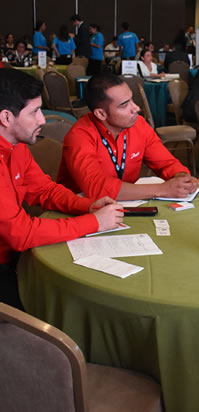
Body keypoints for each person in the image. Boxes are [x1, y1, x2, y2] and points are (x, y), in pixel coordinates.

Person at [0, 68, 123, 308]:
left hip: (15, 257)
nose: (43, 120)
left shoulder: (16, 146)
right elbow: (21, 234)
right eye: (34, 112)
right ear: (6, 118)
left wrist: (89, 205)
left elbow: (44, 190)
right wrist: (95, 222)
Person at [58, 73, 198, 201]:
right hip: (82, 211)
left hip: (125, 206)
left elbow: (167, 163)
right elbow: (96, 187)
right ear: (101, 114)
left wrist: (180, 177)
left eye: (132, 100)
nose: (136, 108)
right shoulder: (79, 136)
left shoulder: (139, 125)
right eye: (124, 105)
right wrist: (162, 189)